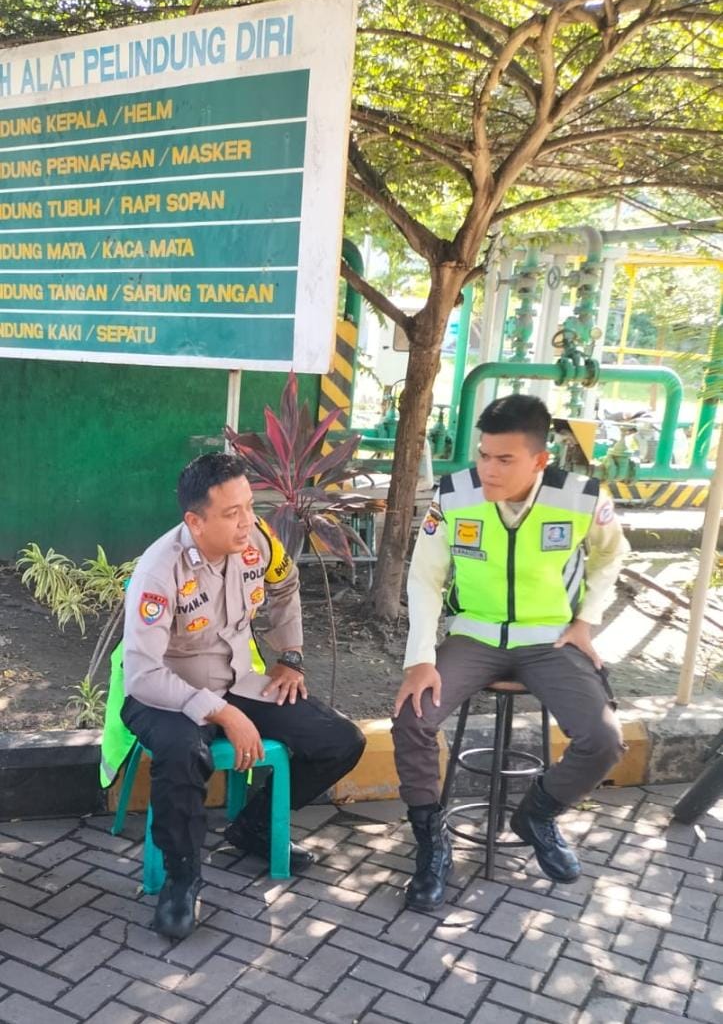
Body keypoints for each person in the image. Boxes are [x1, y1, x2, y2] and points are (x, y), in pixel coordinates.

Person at [392, 393, 628, 912]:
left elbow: (612, 556)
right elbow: (425, 577)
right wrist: (421, 658)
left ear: (540, 459)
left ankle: (537, 815)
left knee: (603, 740)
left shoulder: (581, 497)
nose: (489, 469)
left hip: (550, 640)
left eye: (505, 459)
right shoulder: (453, 496)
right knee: (412, 717)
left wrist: (586, 621)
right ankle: (431, 843)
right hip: (473, 635)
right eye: (483, 455)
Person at [120, 452, 365, 939]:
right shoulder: (159, 570)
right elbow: (142, 675)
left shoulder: (256, 540)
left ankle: (254, 826)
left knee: (341, 741)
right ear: (196, 521)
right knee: (182, 754)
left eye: (250, 506)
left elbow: (286, 584)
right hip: (166, 695)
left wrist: (290, 655)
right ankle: (181, 878)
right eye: (232, 513)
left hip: (238, 680)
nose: (247, 521)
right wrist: (222, 714)